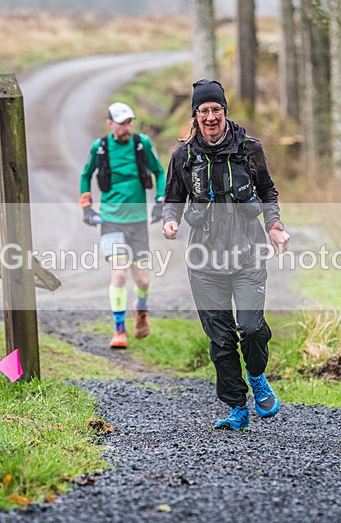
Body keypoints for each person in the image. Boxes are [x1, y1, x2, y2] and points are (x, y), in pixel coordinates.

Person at [161, 80, 290, 430]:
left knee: (249, 327)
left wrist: (275, 226)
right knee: (220, 339)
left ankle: (258, 376)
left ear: (224, 112)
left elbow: (267, 191)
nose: (211, 116)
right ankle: (237, 407)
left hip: (248, 255)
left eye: (216, 109)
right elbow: (171, 199)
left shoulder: (250, 149)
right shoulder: (183, 157)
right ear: (195, 116)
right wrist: (170, 222)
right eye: (204, 110)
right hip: (205, 263)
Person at [80, 102, 166, 348]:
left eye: (130, 122)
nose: (127, 128)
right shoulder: (100, 148)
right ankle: (119, 330)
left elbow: (159, 172)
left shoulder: (143, 144)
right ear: (110, 124)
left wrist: (161, 199)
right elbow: (85, 175)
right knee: (119, 274)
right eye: (122, 123)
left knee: (144, 281)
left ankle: (141, 311)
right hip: (110, 220)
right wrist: (86, 204)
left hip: (137, 222)